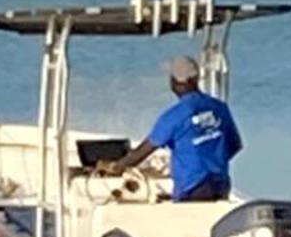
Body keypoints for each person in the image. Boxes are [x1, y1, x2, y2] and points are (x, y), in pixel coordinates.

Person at [98, 55, 243, 203]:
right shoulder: (219, 107)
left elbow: (142, 152)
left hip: (192, 188)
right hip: (220, 183)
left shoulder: (174, 116)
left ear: (174, 83)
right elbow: (235, 145)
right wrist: (212, 160)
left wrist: (115, 167)